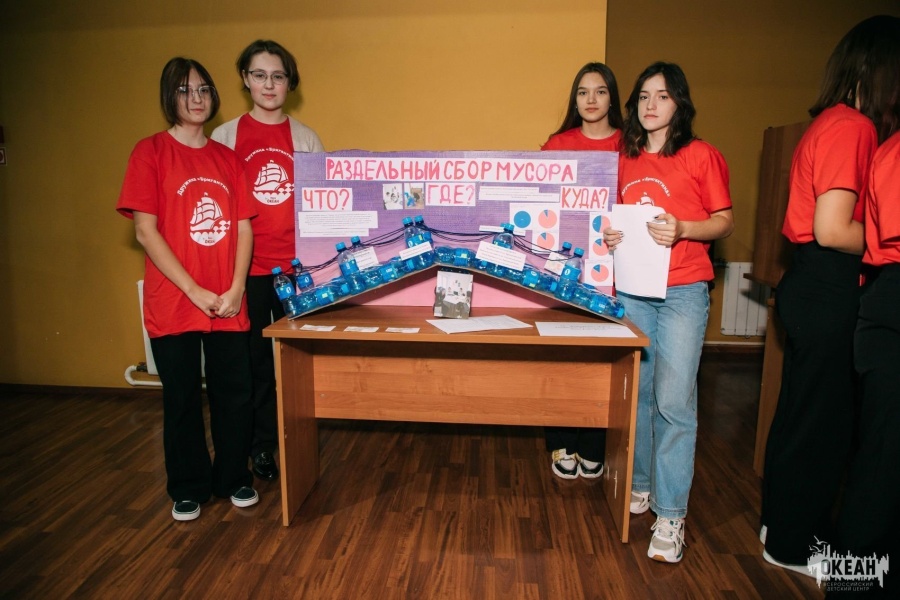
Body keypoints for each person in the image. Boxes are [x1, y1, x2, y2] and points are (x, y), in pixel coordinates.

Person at [760, 16, 900, 580]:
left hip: (811, 283)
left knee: (801, 414)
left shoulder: (833, 122)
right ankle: (794, 544)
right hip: (830, 284)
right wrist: (888, 240)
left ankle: (780, 527)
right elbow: (832, 228)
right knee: (823, 426)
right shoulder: (853, 128)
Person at [117, 57, 259, 521]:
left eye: (202, 89)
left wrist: (236, 287)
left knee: (234, 394)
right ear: (169, 97)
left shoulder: (228, 159)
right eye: (184, 90)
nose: (195, 98)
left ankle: (233, 477)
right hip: (175, 298)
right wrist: (193, 289)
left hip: (226, 298)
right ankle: (188, 486)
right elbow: (145, 231)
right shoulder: (150, 152)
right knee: (180, 398)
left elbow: (243, 229)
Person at [604, 62, 734, 563]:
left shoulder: (701, 155)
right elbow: (610, 219)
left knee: (674, 403)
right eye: (643, 96)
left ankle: (672, 514)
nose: (651, 105)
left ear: (679, 103)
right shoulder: (625, 157)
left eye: (661, 96)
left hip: (683, 292)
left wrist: (683, 228)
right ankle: (640, 484)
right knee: (638, 394)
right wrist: (608, 234)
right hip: (634, 290)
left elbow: (724, 222)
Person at [211, 40, 324, 482]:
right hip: (248, 272)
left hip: (299, 270)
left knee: (299, 362)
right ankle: (261, 447)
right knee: (256, 364)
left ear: (290, 83)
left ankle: (300, 441)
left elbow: (321, 207)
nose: (269, 84)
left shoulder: (306, 138)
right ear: (245, 79)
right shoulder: (224, 137)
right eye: (259, 75)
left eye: (278, 76)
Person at [830, 17, 900, 598]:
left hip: (877, 297)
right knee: (880, 462)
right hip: (887, 301)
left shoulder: (876, 141)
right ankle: (852, 584)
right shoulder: (862, 136)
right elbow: (837, 230)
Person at [540, 62, 623, 480]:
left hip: (614, 267)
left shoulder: (630, 144)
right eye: (583, 92)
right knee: (562, 353)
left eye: (601, 91)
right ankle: (560, 439)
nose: (592, 100)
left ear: (612, 98)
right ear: (575, 100)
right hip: (563, 263)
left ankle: (593, 443)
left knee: (602, 358)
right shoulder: (558, 145)